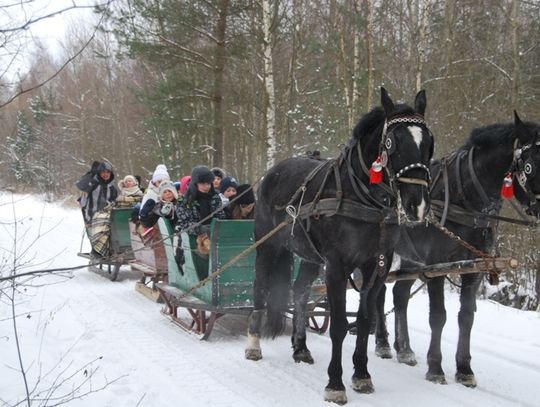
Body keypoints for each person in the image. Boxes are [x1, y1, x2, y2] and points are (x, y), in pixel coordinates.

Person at [175, 165, 226, 279]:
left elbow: (221, 216)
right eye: (203, 183)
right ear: (195, 183)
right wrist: (200, 229)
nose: (206, 186)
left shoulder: (216, 198)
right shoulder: (185, 201)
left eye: (208, 183)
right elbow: (185, 223)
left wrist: (216, 227)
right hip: (193, 237)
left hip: (214, 235)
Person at [76, 160, 118, 257]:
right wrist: (91, 174)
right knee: (102, 220)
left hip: (108, 214)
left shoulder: (112, 188)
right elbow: (81, 188)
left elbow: (115, 202)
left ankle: (114, 248)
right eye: (102, 172)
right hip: (92, 214)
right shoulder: (93, 184)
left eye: (107, 172)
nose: (105, 174)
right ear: (99, 173)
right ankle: (97, 249)